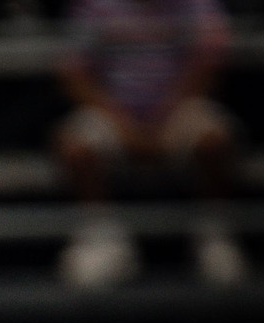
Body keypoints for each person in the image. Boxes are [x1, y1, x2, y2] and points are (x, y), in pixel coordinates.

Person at [55, 0, 246, 289]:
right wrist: (121, 122)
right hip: (114, 113)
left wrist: (165, 115)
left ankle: (213, 234)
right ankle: (101, 235)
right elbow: (74, 71)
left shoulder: (196, 5)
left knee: (214, 140)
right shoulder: (96, 6)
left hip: (179, 108)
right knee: (77, 145)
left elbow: (210, 59)